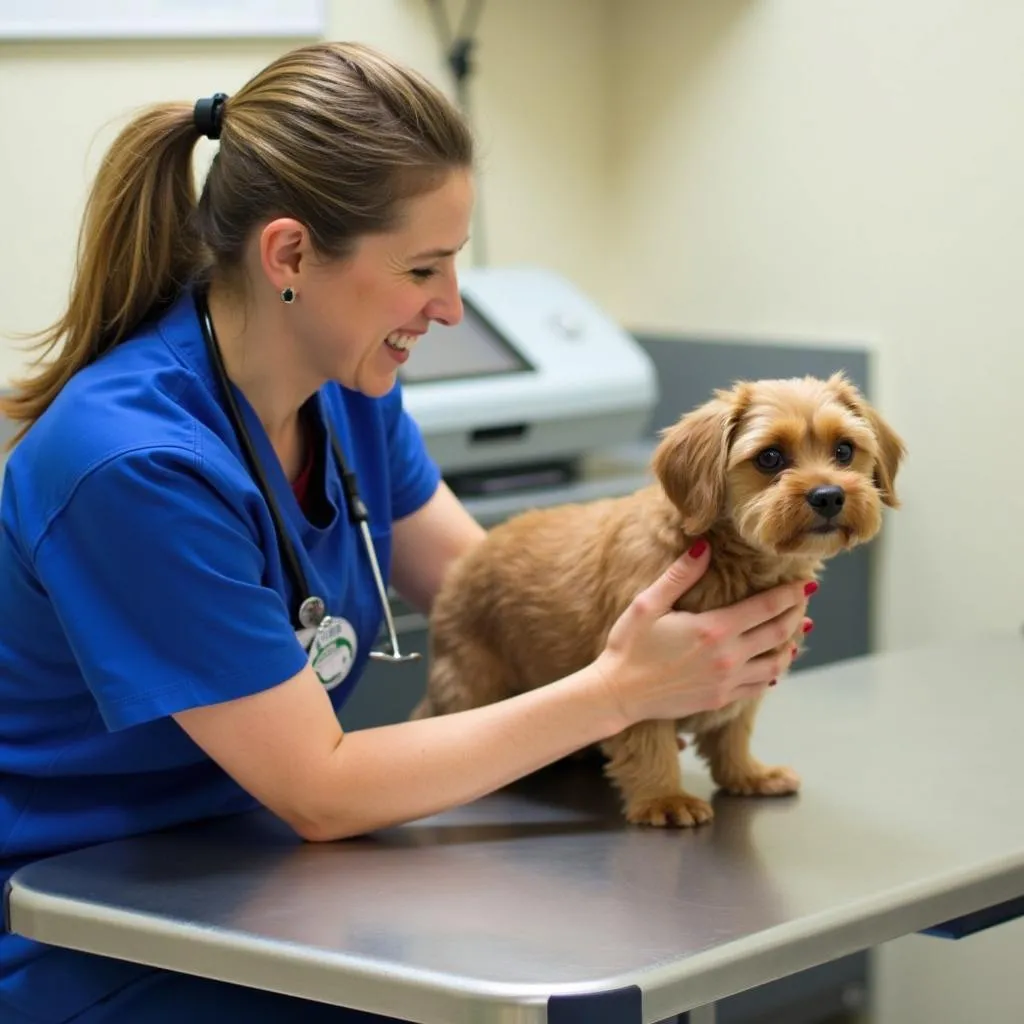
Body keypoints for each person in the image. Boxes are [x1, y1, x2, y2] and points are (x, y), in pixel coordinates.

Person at [0, 40, 813, 1023]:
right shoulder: (132, 466)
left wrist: (688, 601)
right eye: (422, 267)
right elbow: (320, 788)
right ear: (290, 255)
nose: (450, 305)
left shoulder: (345, 392)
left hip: (269, 879)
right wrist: (624, 685)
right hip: (90, 924)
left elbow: (492, 587)